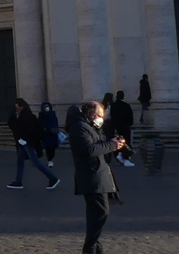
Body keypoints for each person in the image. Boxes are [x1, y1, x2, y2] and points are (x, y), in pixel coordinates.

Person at [69, 100, 124, 254]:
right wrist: (112, 146)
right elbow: (89, 149)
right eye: (100, 115)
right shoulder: (80, 127)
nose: (102, 118)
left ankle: (95, 247)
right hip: (91, 176)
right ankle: (90, 247)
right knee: (101, 212)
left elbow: (99, 146)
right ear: (91, 114)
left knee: (96, 213)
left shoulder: (91, 127)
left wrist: (113, 142)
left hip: (99, 174)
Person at [6, 98, 60, 190]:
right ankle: (18, 181)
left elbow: (28, 130)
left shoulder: (26, 116)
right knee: (20, 161)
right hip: (23, 142)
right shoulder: (23, 115)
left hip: (27, 142)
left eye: (17, 107)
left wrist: (24, 139)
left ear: (21, 106)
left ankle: (53, 178)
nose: (16, 109)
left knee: (36, 162)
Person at [110, 91, 136, 168]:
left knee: (118, 142)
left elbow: (112, 116)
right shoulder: (126, 105)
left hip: (116, 126)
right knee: (126, 142)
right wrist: (130, 124)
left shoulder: (113, 105)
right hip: (125, 126)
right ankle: (124, 157)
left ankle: (119, 155)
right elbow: (130, 117)